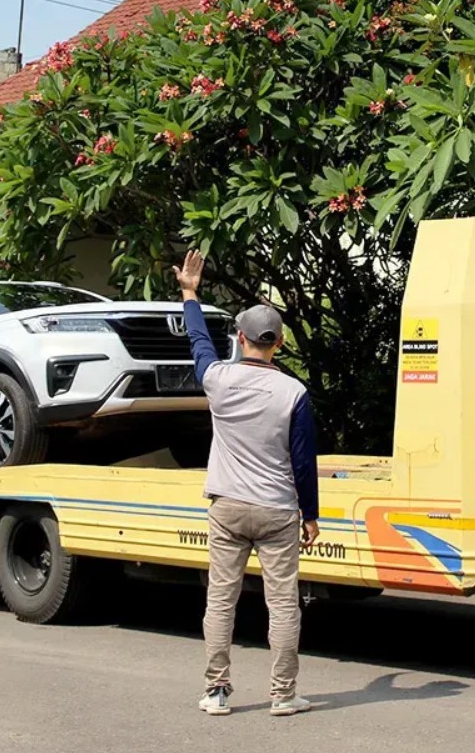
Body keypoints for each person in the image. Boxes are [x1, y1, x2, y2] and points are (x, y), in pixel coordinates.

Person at [173, 249, 320, 718]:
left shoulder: (218, 378)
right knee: (283, 606)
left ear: (240, 338)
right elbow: (303, 462)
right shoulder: (294, 392)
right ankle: (282, 694)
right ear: (276, 343)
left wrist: (190, 293)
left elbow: (198, 343)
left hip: (228, 506)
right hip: (277, 512)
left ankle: (216, 691)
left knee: (221, 599)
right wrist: (311, 515)